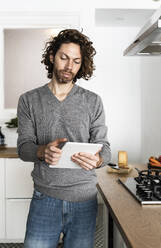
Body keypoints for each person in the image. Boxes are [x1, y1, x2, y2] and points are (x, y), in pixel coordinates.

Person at [17, 29, 111, 248]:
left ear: (81, 64)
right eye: (64, 58)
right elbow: (23, 148)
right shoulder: (29, 100)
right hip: (45, 197)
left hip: (84, 199)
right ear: (52, 57)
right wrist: (42, 151)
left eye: (76, 61)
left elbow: (105, 148)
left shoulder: (93, 101)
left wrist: (97, 160)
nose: (69, 66)